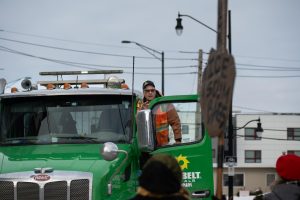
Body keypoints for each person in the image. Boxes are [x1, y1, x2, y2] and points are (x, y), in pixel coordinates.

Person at [138, 80, 182, 146]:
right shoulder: (140, 106)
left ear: (155, 91)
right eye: (147, 91)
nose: (150, 93)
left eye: (152, 90)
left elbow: (175, 122)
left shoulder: (165, 103)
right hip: (145, 147)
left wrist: (178, 140)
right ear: (144, 92)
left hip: (162, 146)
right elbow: (136, 125)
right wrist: (144, 109)